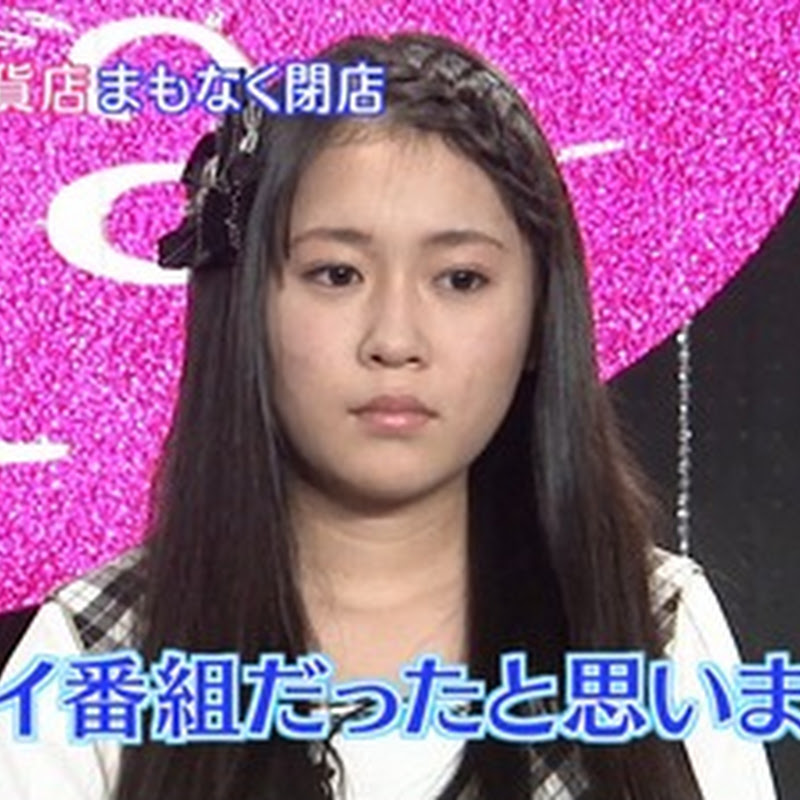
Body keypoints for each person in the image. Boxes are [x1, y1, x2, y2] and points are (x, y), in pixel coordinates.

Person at [0, 31, 777, 800]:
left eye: (461, 279)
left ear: (540, 315)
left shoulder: (652, 630)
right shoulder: (95, 661)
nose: (396, 339)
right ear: (246, 308)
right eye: (337, 274)